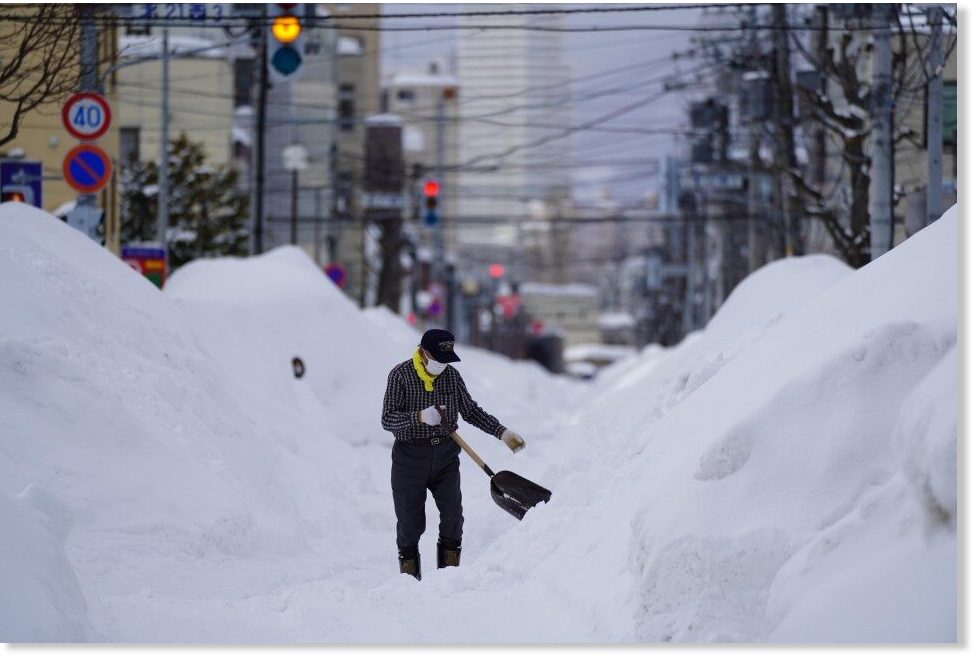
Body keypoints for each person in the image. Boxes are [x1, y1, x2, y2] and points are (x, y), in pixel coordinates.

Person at [381, 328, 526, 580]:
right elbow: (387, 419)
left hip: (445, 456)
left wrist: (501, 432)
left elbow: (470, 411)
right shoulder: (400, 375)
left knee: (453, 518)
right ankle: (408, 583)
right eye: (438, 359)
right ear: (424, 353)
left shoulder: (451, 376)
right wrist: (419, 417)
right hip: (409, 457)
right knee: (409, 524)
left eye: (446, 360)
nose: (443, 365)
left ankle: (447, 581)